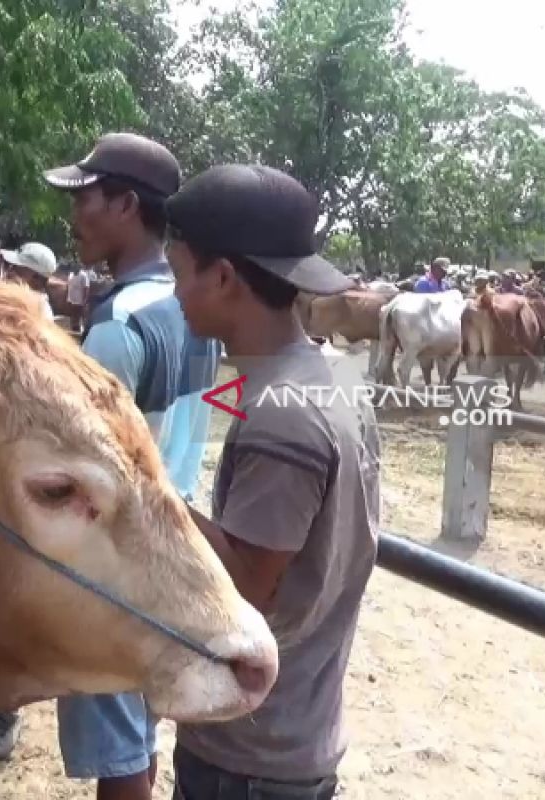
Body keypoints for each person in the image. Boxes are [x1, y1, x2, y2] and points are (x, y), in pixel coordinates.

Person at [164, 164, 380, 800]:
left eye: (180, 274)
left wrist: (147, 491)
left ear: (224, 276)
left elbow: (248, 588)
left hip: (250, 761)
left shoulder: (281, 415)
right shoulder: (330, 375)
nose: (175, 294)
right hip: (294, 738)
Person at [35, 132, 222, 795]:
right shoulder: (190, 304)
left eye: (83, 196)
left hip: (117, 554)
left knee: (115, 746)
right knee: (138, 732)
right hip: (176, 533)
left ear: (124, 205)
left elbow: (86, 464)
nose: (73, 212)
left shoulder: (118, 326)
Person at [0, 242, 58, 319]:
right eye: (11, 265)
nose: (10, 270)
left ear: (36, 278)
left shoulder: (39, 313)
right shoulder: (13, 300)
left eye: (17, 267)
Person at [66, 263, 93, 332]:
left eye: (76, 266)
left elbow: (86, 288)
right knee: (73, 315)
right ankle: (74, 329)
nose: (74, 267)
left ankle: (82, 331)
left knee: (80, 316)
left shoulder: (83, 275)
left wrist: (85, 300)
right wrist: (68, 297)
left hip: (79, 300)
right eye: (73, 266)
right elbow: (68, 286)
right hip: (71, 299)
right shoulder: (71, 275)